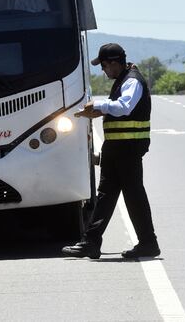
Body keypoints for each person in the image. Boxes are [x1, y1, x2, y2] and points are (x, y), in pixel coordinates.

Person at [62, 43, 159, 260]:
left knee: (133, 197)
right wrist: (95, 112)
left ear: (115, 63)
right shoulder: (122, 80)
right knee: (106, 196)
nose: (103, 70)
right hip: (116, 150)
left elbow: (124, 107)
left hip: (128, 150)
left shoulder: (132, 81)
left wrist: (100, 105)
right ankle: (91, 243)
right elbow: (118, 111)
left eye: (105, 65)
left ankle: (148, 243)